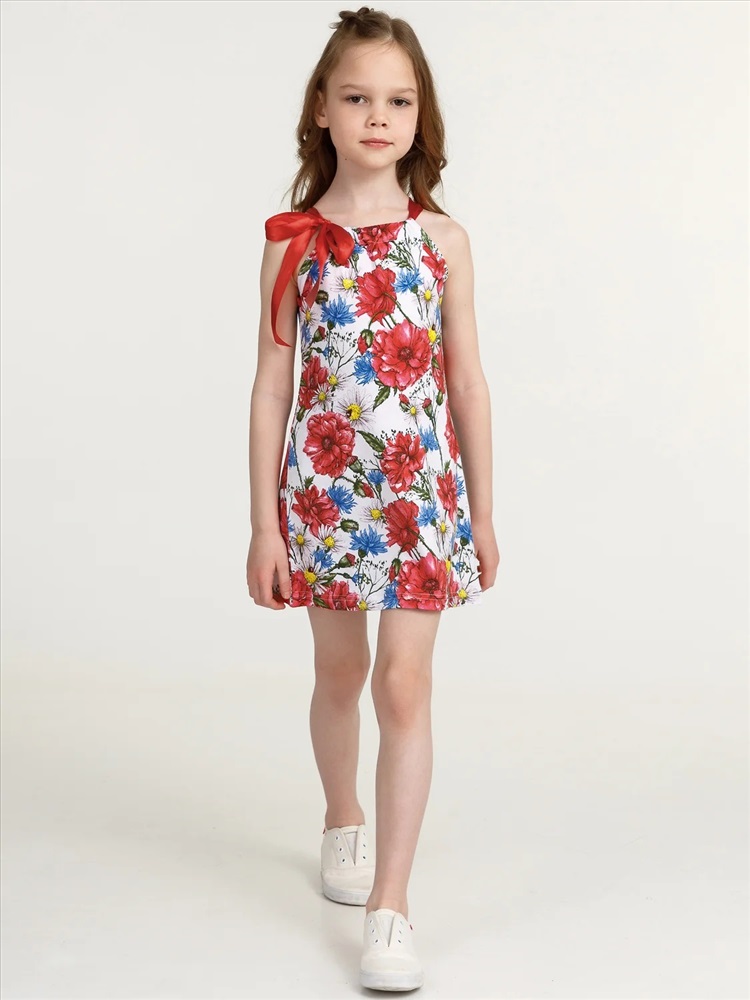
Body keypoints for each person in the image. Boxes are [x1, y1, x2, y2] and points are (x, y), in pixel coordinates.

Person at [246, 6, 500, 991]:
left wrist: (483, 511)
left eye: (398, 100)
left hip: (421, 499)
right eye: (357, 97)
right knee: (341, 671)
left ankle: (391, 905)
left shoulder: (443, 241)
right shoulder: (294, 244)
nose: (379, 116)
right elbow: (271, 387)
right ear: (323, 108)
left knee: (404, 683)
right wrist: (264, 524)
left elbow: (467, 381)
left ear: (420, 114)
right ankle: (341, 817)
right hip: (324, 500)